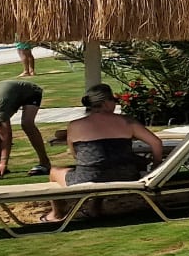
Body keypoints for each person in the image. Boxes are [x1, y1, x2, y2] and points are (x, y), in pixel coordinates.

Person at [44, 85, 164, 223]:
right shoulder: (127, 121)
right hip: (127, 175)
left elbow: (76, 155)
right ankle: (95, 209)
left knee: (54, 171)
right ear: (106, 102)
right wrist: (156, 165)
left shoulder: (75, 125)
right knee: (107, 166)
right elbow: (156, 143)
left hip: (88, 178)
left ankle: (57, 214)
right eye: (113, 100)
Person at [0, 78, 52, 178]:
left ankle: (45, 162)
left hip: (30, 91)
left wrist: (4, 163)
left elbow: (6, 136)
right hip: (7, 93)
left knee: (27, 124)